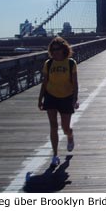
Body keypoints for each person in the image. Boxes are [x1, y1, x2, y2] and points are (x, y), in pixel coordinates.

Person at [38, 36, 79, 167]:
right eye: (53, 49)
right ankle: (55, 155)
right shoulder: (48, 64)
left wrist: (75, 99)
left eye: (58, 49)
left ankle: (70, 136)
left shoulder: (71, 63)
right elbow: (44, 82)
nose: (55, 52)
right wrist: (40, 98)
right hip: (51, 96)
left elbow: (75, 83)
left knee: (65, 127)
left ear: (64, 49)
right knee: (53, 126)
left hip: (66, 97)